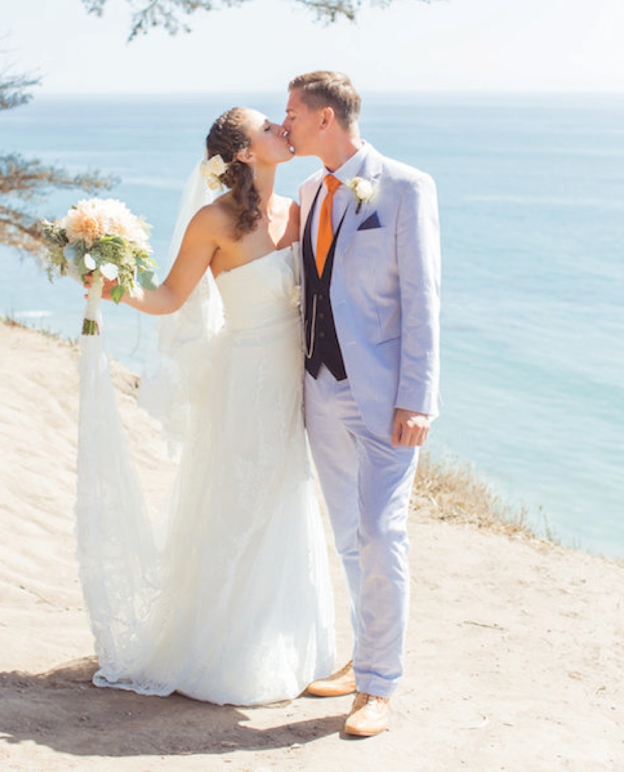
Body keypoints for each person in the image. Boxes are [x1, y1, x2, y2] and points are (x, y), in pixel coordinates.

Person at [80, 105, 334, 706]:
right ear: (245, 153)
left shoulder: (297, 211)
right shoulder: (212, 220)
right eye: (268, 127)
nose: (281, 129)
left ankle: (289, 649)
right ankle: (223, 656)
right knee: (239, 503)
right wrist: (109, 284)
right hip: (243, 379)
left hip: (293, 381)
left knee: (286, 501)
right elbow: (170, 297)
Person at [282, 72, 441, 737]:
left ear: (324, 118)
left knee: (382, 532)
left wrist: (418, 399)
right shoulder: (310, 189)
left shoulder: (404, 186)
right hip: (319, 389)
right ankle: (360, 660)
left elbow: (424, 301)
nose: (283, 122)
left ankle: (379, 687)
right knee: (350, 534)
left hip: (382, 398)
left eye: (291, 112)